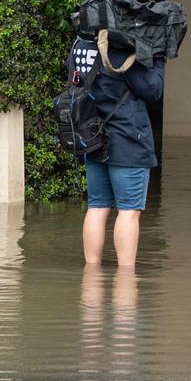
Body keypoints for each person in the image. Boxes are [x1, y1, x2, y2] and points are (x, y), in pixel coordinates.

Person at [66, 32, 165, 268]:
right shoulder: (123, 49)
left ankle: (91, 277)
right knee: (129, 211)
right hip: (129, 138)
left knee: (97, 206)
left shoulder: (81, 45)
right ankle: (126, 280)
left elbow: (75, 83)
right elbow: (153, 90)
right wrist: (157, 58)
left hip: (92, 136)